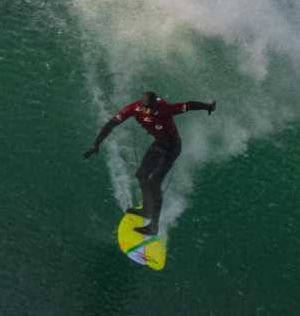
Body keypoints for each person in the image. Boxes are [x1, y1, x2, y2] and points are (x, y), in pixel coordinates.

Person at [84, 90, 217, 234]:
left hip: (173, 147)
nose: (149, 111)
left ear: (156, 104)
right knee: (141, 174)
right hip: (160, 143)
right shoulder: (134, 108)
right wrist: (96, 144)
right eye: (146, 108)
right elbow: (111, 124)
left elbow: (188, 105)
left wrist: (208, 106)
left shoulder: (164, 108)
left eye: (152, 108)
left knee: (154, 181)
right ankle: (147, 210)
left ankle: (153, 226)